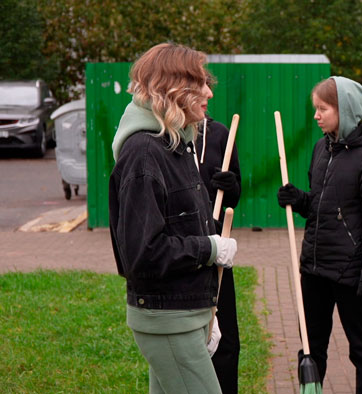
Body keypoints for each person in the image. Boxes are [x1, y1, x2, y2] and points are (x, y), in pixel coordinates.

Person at [108, 42, 238, 394]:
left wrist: (204, 314)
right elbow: (142, 253)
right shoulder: (144, 154)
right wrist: (209, 248)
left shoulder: (177, 144)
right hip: (167, 319)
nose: (209, 92)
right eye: (200, 83)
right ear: (173, 88)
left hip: (186, 313)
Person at [276, 76, 362, 394]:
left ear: (346, 110)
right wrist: (298, 200)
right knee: (310, 348)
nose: (316, 115)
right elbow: (321, 205)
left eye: (323, 108)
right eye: (316, 108)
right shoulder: (321, 148)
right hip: (314, 268)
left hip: (351, 273)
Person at [195, 112, 243, 394]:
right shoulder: (162, 134)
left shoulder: (220, 134)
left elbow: (235, 195)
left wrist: (230, 185)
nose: (207, 94)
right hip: (183, 255)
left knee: (226, 341)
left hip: (217, 250)